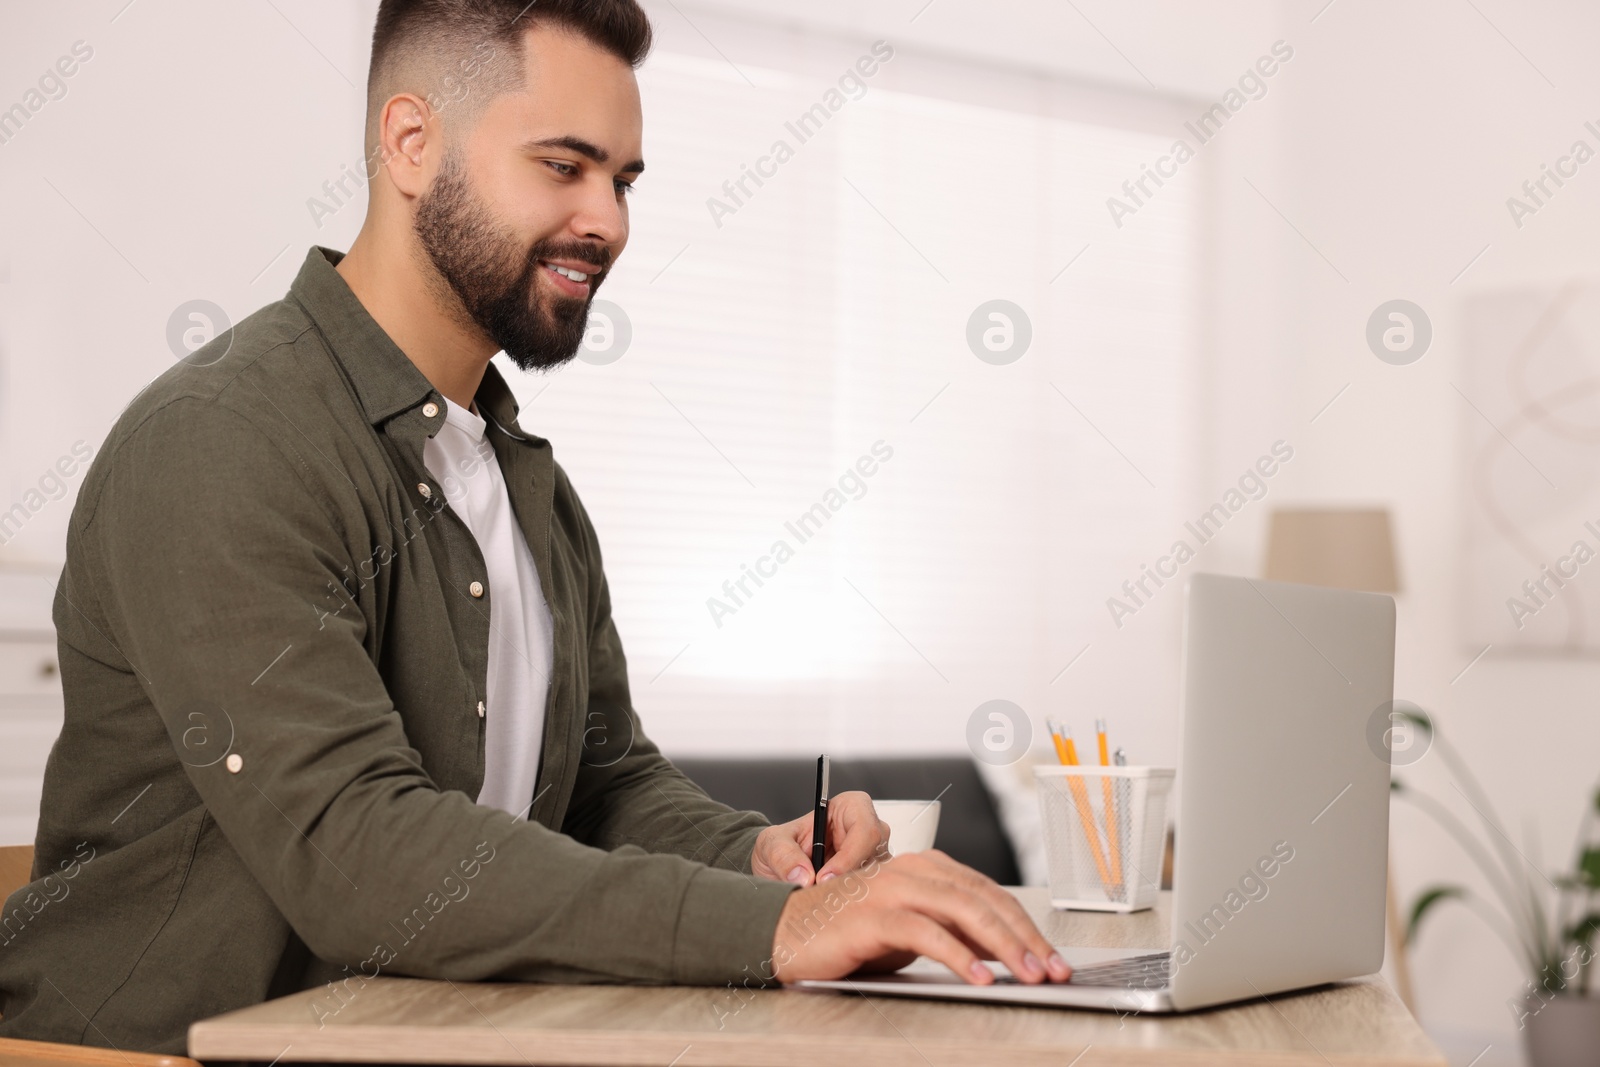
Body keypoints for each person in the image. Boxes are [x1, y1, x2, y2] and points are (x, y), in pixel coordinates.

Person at [0, 0, 1070, 1054]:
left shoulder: (523, 485)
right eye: (564, 166)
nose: (608, 219)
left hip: (431, 1033)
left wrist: (761, 859)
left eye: (622, 179)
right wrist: (786, 927)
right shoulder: (223, 442)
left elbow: (604, 782)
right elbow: (360, 851)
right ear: (411, 143)